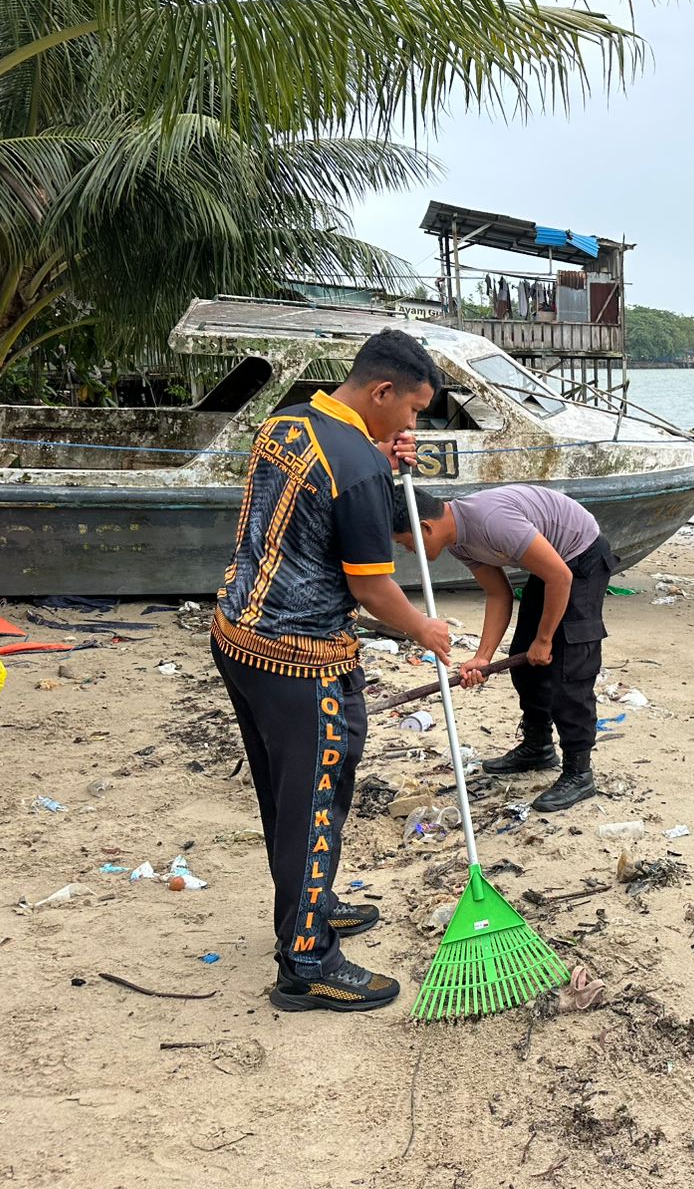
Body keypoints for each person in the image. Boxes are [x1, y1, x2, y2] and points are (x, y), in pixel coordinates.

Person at [211, 329, 451, 1013]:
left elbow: (324, 492)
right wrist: (423, 628)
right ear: (382, 392)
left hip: (238, 634)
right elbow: (375, 588)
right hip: (300, 658)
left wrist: (380, 456)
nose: (413, 425)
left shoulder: (289, 423)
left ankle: (308, 908)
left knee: (286, 799)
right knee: (315, 803)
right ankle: (307, 962)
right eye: (412, 411)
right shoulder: (359, 465)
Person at [392, 484, 618, 813]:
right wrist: (483, 658)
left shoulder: (491, 521)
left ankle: (579, 772)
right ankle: (538, 746)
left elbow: (561, 577)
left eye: (405, 543)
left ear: (425, 527)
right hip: (554, 565)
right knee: (524, 662)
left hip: (580, 559)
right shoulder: (459, 542)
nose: (408, 551)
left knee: (569, 668)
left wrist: (544, 641)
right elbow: (499, 594)